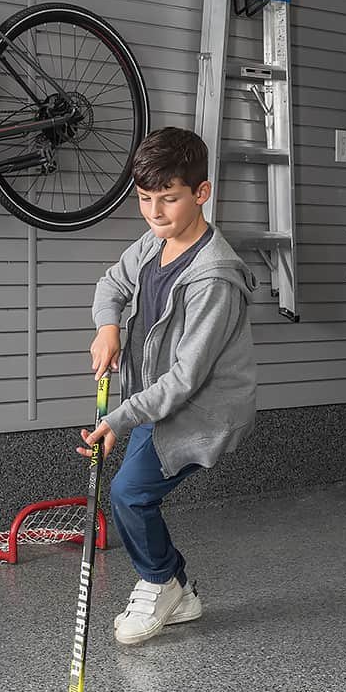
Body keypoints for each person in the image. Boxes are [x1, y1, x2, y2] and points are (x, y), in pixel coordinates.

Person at [80, 126, 258, 646]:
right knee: (130, 492)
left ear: (201, 193)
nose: (156, 213)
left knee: (129, 494)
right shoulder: (154, 241)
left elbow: (185, 379)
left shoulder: (214, 278)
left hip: (197, 411)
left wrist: (117, 417)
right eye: (145, 199)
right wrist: (107, 327)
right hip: (155, 403)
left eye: (169, 199)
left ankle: (161, 581)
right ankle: (180, 587)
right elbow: (111, 284)